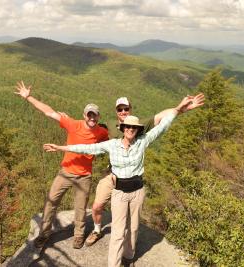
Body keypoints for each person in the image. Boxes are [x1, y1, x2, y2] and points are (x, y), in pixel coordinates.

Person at [43, 94, 204, 267]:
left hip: (137, 191)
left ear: (137, 128)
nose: (130, 129)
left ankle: (129, 256)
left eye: (133, 127)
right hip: (118, 190)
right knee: (118, 232)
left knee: (133, 228)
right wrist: (61, 147)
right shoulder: (112, 144)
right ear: (122, 127)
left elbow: (162, 124)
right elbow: (87, 147)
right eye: (127, 126)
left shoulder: (143, 141)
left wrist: (180, 109)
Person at [85, 95, 201, 246]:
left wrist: (180, 109)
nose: (123, 111)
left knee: (126, 215)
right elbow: (91, 125)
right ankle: (97, 230)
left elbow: (161, 117)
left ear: (130, 109)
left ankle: (126, 245)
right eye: (120, 109)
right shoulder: (110, 124)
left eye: (126, 108)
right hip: (112, 173)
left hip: (131, 177)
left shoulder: (139, 124)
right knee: (97, 205)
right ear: (116, 111)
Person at [14, 81, 109, 249]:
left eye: (95, 115)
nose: (92, 118)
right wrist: (28, 97)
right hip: (66, 171)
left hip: (85, 175)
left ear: (98, 117)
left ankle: (79, 236)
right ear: (84, 115)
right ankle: (44, 234)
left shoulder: (102, 132)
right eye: (89, 115)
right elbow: (49, 112)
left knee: (80, 208)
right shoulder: (73, 124)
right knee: (51, 202)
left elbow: (115, 141)